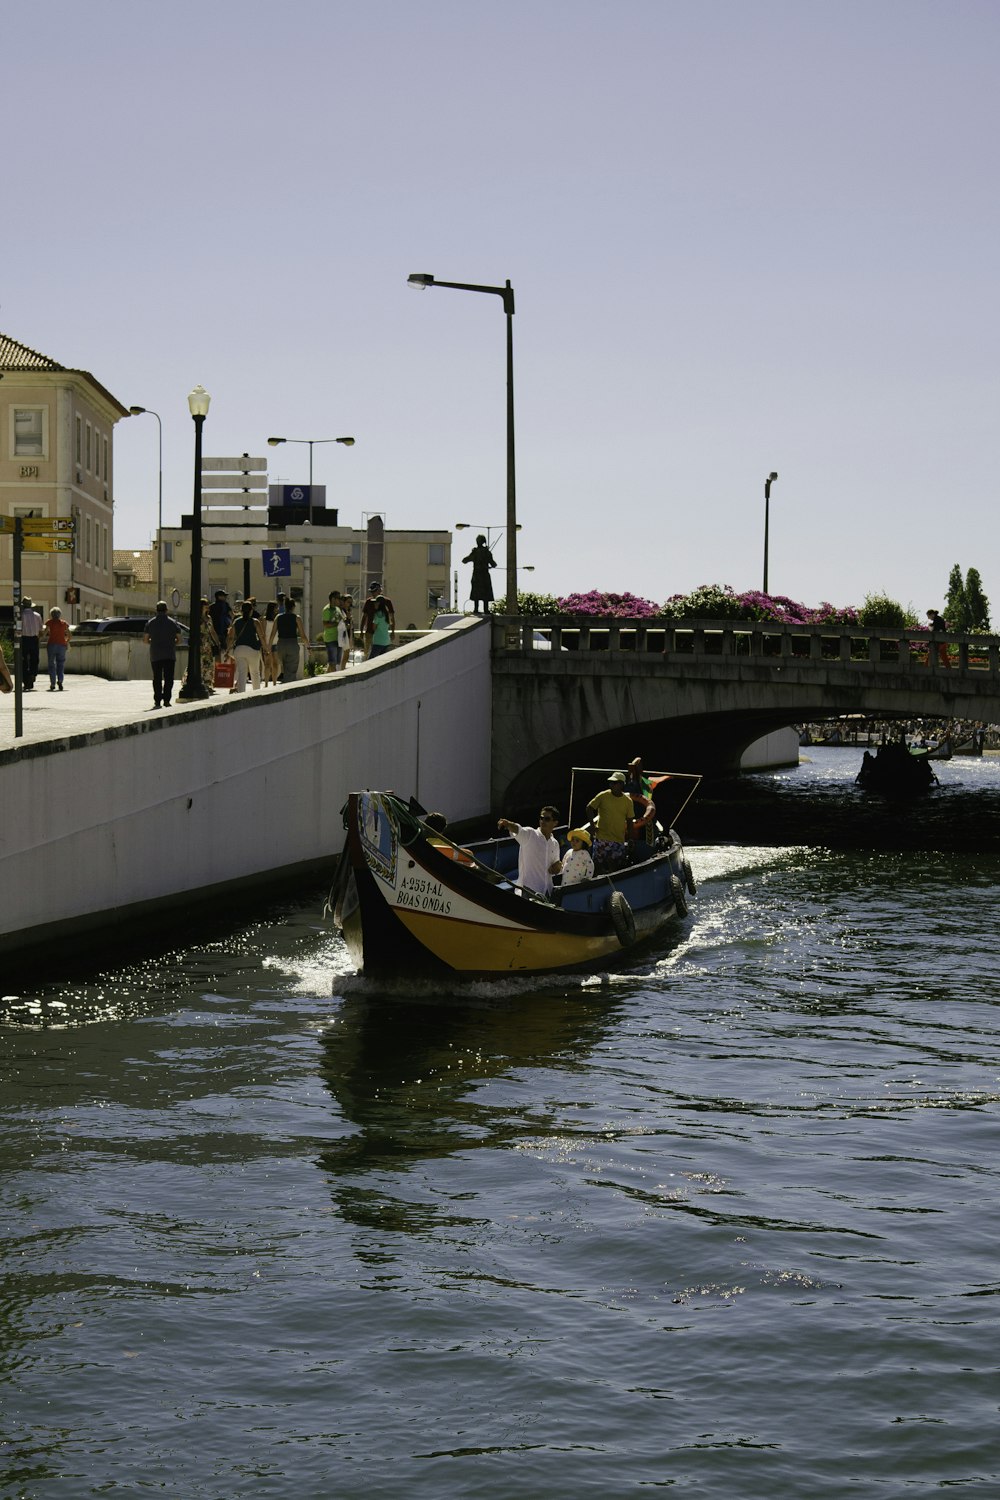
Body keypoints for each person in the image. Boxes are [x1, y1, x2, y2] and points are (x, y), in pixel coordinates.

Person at [496, 806, 562, 898]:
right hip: (529, 891)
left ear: (555, 823)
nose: (543, 821)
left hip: (547, 892)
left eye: (547, 819)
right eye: (541, 818)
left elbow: (555, 866)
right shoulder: (530, 834)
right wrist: (507, 824)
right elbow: (518, 829)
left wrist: (557, 867)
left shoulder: (555, 844)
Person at [587, 772, 634, 870]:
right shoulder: (603, 795)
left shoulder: (628, 801)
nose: (611, 785)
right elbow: (589, 808)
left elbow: (630, 821)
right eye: (611, 783)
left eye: (614, 782)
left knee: (616, 867)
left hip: (618, 840)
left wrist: (630, 838)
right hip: (601, 838)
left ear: (621, 784)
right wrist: (592, 825)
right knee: (597, 866)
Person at [143, 601, 183, 709]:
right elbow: (179, 639)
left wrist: (154, 642)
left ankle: (157, 701)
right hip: (169, 654)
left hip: (155, 654)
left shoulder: (150, 623)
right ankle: (166, 700)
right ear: (166, 610)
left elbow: (146, 640)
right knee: (169, 678)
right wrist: (172, 642)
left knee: (157, 678)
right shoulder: (173, 623)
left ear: (156, 610)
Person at [227, 600, 267, 692]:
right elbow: (262, 637)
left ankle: (241, 694)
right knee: (255, 673)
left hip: (239, 649)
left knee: (242, 673)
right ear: (251, 610)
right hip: (253, 649)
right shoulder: (255, 621)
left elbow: (231, 637)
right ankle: (256, 693)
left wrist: (228, 649)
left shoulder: (236, 622)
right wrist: (266, 649)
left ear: (241, 611)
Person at [273, 597, 308, 683]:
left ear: (285, 606)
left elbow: (272, 634)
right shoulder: (297, 618)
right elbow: (303, 635)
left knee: (285, 668)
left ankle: (285, 683)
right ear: (293, 607)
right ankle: (289, 688)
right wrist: (308, 647)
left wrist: (268, 647)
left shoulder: (278, 617)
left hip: (281, 644)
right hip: (292, 643)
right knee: (291, 670)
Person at [463, 535, 497, 614]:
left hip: (477, 575)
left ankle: (476, 609)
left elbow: (464, 560)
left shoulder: (475, 552)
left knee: (476, 593)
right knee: (485, 592)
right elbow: (494, 564)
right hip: (484, 575)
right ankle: (486, 609)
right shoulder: (487, 552)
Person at [361, 583, 395, 659]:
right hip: (369, 632)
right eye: (371, 592)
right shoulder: (368, 601)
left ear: (379, 590)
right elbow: (364, 617)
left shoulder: (387, 602)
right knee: (367, 655)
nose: (372, 593)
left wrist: (393, 631)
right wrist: (361, 631)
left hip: (380, 635)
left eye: (374, 591)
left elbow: (392, 618)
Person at [42, 607, 70, 691]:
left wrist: (39, 638)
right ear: (59, 614)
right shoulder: (64, 623)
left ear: (51, 614)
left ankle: (52, 683)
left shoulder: (49, 622)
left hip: (51, 644)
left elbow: (44, 633)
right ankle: (60, 681)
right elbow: (69, 634)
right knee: (60, 663)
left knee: (51, 664)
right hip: (62, 645)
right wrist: (67, 641)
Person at [19, 598, 42, 690]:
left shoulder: (20, 616)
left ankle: (25, 679)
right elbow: (40, 629)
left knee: (23, 660)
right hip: (34, 639)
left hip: (23, 639)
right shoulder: (37, 615)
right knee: (34, 659)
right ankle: (33, 674)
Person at [199, 598, 220, 693]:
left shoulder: (209, 618)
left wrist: (217, 642)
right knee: (199, 664)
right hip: (199, 643)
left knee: (209, 664)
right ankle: (200, 683)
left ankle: (208, 684)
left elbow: (212, 631)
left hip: (207, 644)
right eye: (205, 604)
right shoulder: (197, 618)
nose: (207, 606)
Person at [321, 591, 344, 674]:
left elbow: (342, 619)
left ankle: (327, 676)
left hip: (339, 638)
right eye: (338, 598)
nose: (340, 600)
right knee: (332, 662)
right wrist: (337, 623)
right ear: (333, 599)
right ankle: (333, 679)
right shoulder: (326, 610)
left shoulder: (337, 609)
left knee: (337, 662)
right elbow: (325, 624)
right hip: (330, 639)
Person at [208, 590, 232, 657]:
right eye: (224, 596)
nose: (225, 597)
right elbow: (232, 615)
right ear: (219, 597)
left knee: (216, 653)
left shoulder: (211, 607)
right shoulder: (225, 605)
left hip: (214, 632)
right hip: (224, 632)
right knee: (224, 652)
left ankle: (217, 666)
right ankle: (223, 666)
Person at [261, 601, 279, 685]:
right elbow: (263, 634)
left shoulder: (277, 618)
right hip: (267, 644)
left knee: (275, 664)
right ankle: (266, 683)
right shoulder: (264, 619)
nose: (277, 609)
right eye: (276, 607)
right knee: (267, 664)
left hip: (276, 643)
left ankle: (274, 682)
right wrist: (265, 645)